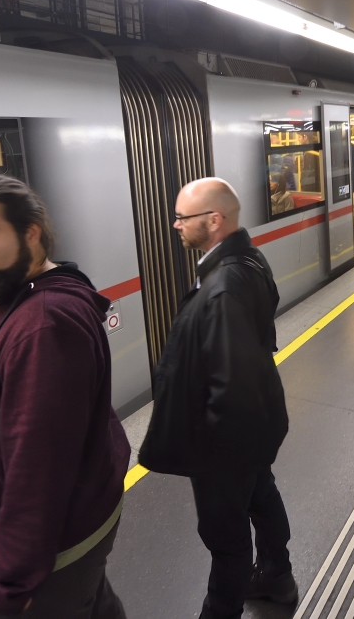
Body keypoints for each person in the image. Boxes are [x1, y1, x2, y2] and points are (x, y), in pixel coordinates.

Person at [0, 175, 130, 619]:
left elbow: (37, 469)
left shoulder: (43, 325)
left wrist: (11, 584)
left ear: (30, 234)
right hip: (77, 515)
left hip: (53, 548)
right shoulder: (15, 296)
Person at [138, 178, 293, 619]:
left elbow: (232, 383)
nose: (175, 225)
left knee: (225, 538)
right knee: (262, 496)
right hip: (255, 427)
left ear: (214, 219)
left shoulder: (223, 285)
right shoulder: (248, 258)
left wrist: (214, 456)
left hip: (226, 442)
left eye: (182, 218)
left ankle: (221, 610)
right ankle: (277, 576)